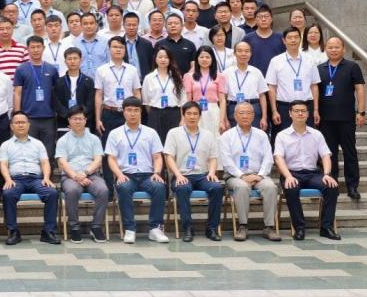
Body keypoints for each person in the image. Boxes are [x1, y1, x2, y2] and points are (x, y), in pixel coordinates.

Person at [105, 97, 170, 243]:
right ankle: (129, 229)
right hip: (126, 175)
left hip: (148, 175)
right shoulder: (115, 133)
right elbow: (111, 159)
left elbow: (157, 157)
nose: (132, 114)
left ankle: (155, 228)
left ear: (141, 112)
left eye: (136, 110)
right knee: (124, 188)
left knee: (159, 187)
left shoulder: (150, 133)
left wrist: (156, 173)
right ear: (123, 112)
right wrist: (119, 175)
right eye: (129, 110)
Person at [274, 100, 341, 240]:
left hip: (312, 174)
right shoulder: (282, 135)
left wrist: (327, 174)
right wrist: (288, 176)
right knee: (291, 189)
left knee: (331, 187)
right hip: (291, 173)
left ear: (308, 114)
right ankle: (299, 228)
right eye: (296, 111)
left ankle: (326, 227)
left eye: (303, 111)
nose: (300, 113)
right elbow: (278, 158)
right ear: (290, 113)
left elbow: (326, 156)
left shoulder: (317, 134)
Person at [219, 102, 281, 241]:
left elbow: (268, 158)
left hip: (259, 175)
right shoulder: (227, 136)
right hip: (235, 176)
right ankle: (243, 226)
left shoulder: (261, 135)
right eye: (241, 113)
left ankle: (269, 227)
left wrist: (260, 175)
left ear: (253, 115)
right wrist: (242, 176)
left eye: (248, 113)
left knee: (271, 187)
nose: (245, 116)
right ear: (235, 116)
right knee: (242, 187)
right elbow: (227, 161)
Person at [164, 102, 224, 241]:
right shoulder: (174, 133)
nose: (192, 117)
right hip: (182, 175)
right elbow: (169, 157)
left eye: (195, 114)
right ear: (183, 115)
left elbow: (213, 158)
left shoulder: (208, 135)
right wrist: (178, 175)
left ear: (200, 116)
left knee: (217, 188)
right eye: (189, 114)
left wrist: (212, 173)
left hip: (203, 175)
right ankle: (188, 228)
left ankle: (212, 228)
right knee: (183, 188)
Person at [0, 112, 60, 245]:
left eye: (23, 122)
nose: (20, 125)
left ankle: (48, 231)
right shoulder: (6, 145)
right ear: (11, 126)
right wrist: (8, 179)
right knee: (8, 194)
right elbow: (3, 164)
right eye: (17, 122)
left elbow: (45, 162)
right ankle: (13, 231)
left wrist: (46, 178)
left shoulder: (38, 144)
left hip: (36, 179)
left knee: (52, 193)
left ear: (28, 125)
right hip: (16, 179)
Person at [317, 36, 366, 200]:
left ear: (343, 49)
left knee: (349, 152)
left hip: (346, 118)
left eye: (337, 47)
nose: (333, 50)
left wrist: (361, 112)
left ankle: (352, 186)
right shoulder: (320, 68)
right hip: (325, 119)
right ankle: (332, 184)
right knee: (329, 153)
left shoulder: (352, 66)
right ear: (325, 49)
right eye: (330, 47)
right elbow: (315, 91)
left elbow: (360, 88)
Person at [56, 105, 109, 243]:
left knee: (103, 190)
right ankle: (74, 227)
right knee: (72, 190)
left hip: (91, 174)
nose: (78, 121)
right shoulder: (62, 140)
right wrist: (75, 176)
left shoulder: (94, 139)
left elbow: (98, 160)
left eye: (81, 118)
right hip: (70, 176)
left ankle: (96, 227)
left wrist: (85, 173)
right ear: (69, 120)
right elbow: (62, 162)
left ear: (86, 120)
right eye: (74, 118)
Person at [266, 27, 320, 139]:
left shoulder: (310, 60)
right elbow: (272, 87)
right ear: (284, 40)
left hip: (306, 107)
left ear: (300, 39)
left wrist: (315, 110)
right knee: (283, 140)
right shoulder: (276, 61)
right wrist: (274, 111)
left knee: (308, 139)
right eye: (290, 38)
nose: (293, 40)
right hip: (284, 108)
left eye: (296, 37)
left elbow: (314, 86)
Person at [12, 36, 59, 157]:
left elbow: (56, 92)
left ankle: (48, 169)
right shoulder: (21, 69)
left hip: (48, 117)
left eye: (38, 47)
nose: (36, 50)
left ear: (43, 48)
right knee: (29, 150)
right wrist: (18, 114)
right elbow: (17, 93)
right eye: (32, 47)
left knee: (48, 151)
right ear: (27, 49)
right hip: (29, 117)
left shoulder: (52, 69)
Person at [93, 37, 142, 140]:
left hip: (129, 113)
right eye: (115, 47)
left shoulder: (132, 70)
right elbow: (98, 95)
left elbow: (137, 93)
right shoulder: (101, 70)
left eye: (121, 47)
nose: (118, 50)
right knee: (108, 143)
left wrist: (139, 118)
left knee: (130, 142)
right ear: (109, 49)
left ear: (125, 50)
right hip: (109, 112)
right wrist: (98, 119)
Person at [141, 47, 185, 147]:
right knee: (156, 144)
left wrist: (182, 119)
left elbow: (182, 100)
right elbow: (146, 101)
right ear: (155, 59)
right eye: (160, 57)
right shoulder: (149, 78)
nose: (163, 59)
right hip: (155, 114)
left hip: (174, 113)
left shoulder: (176, 77)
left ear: (170, 59)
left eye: (166, 57)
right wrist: (154, 113)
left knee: (173, 144)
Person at [223, 41, 269, 129]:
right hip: (233, 108)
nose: (243, 54)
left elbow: (262, 96)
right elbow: (223, 98)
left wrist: (264, 117)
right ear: (234, 53)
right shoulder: (226, 73)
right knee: (234, 136)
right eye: (239, 51)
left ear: (251, 53)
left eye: (247, 51)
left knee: (254, 136)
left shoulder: (257, 72)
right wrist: (225, 119)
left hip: (253, 108)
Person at [183, 46, 228, 134]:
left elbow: (222, 100)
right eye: (201, 57)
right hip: (195, 111)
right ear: (197, 59)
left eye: (207, 57)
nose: (204, 59)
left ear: (212, 59)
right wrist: (183, 119)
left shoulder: (219, 76)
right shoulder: (189, 76)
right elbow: (187, 100)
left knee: (214, 137)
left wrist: (222, 121)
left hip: (213, 110)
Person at [54, 47, 96, 128]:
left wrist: (79, 119)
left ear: (81, 60)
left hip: (83, 122)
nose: (72, 61)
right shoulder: (59, 82)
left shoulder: (88, 81)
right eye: (69, 59)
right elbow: (57, 103)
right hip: (64, 122)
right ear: (65, 62)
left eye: (75, 58)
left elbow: (90, 103)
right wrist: (69, 118)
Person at [245, 5, 285, 75]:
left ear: (271, 19)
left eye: (266, 16)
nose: (263, 19)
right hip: (253, 77)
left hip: (277, 76)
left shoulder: (281, 38)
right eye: (260, 17)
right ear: (255, 20)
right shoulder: (248, 38)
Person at [76, 13, 108, 77]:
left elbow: (109, 63)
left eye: (91, 23)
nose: (89, 26)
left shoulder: (105, 42)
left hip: (102, 80)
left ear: (96, 25)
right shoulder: (74, 44)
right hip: (81, 80)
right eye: (85, 24)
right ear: (81, 26)